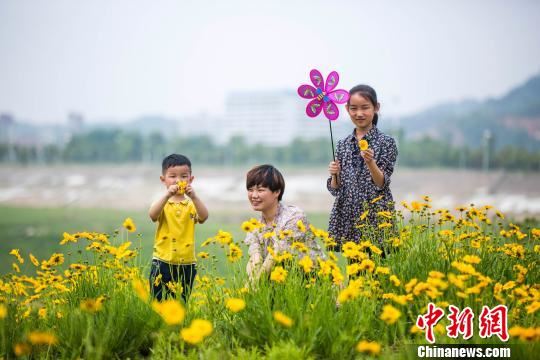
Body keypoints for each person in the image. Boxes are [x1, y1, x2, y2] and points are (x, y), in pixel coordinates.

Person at [327, 84, 398, 249]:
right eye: (353, 108)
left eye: (365, 108)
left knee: (379, 269)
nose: (359, 113)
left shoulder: (386, 142)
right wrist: (334, 174)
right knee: (355, 271)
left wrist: (370, 162)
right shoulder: (342, 144)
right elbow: (335, 189)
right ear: (347, 109)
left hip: (376, 215)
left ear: (376, 107)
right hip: (349, 216)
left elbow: (382, 184)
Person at [243, 164, 323, 281]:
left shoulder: (294, 217)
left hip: (313, 282)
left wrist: (254, 286)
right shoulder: (255, 226)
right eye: (250, 190)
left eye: (260, 190)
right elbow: (255, 259)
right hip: (283, 283)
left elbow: (275, 255)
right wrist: (251, 284)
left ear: (277, 192)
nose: (254, 195)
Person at [148, 154, 209, 302]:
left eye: (184, 176)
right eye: (172, 176)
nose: (178, 181)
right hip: (162, 260)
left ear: (191, 179)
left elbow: (204, 217)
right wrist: (166, 195)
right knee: (158, 301)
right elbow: (152, 215)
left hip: (186, 263)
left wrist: (194, 197)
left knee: (181, 302)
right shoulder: (163, 203)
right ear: (163, 180)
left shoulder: (191, 204)